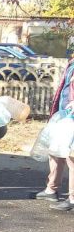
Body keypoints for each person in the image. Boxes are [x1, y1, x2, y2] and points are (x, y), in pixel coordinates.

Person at [34, 59, 74, 211]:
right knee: (55, 151)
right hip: (65, 113)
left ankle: (72, 199)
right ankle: (51, 189)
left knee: (72, 157)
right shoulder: (72, 62)